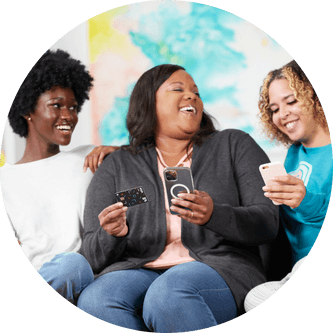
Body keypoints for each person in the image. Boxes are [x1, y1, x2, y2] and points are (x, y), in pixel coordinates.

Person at [77, 64, 279, 332]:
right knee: (96, 300)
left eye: (196, 92)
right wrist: (111, 235)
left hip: (220, 268)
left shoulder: (234, 145)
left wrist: (214, 215)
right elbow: (90, 255)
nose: (192, 96)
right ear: (149, 102)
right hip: (139, 268)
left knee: (168, 295)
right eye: (178, 89)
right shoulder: (117, 165)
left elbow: (268, 222)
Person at [1, 49, 118, 304]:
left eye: (73, 107)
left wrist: (118, 151)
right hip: (43, 276)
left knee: (73, 265)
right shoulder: (5, 181)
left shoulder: (88, 157)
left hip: (86, 273)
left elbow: (150, 159)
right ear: (27, 110)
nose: (69, 116)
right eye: (57, 105)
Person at [244, 60, 332, 312]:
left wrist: (304, 199)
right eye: (274, 108)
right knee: (255, 297)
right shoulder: (294, 155)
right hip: (297, 266)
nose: (282, 114)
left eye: (291, 101)